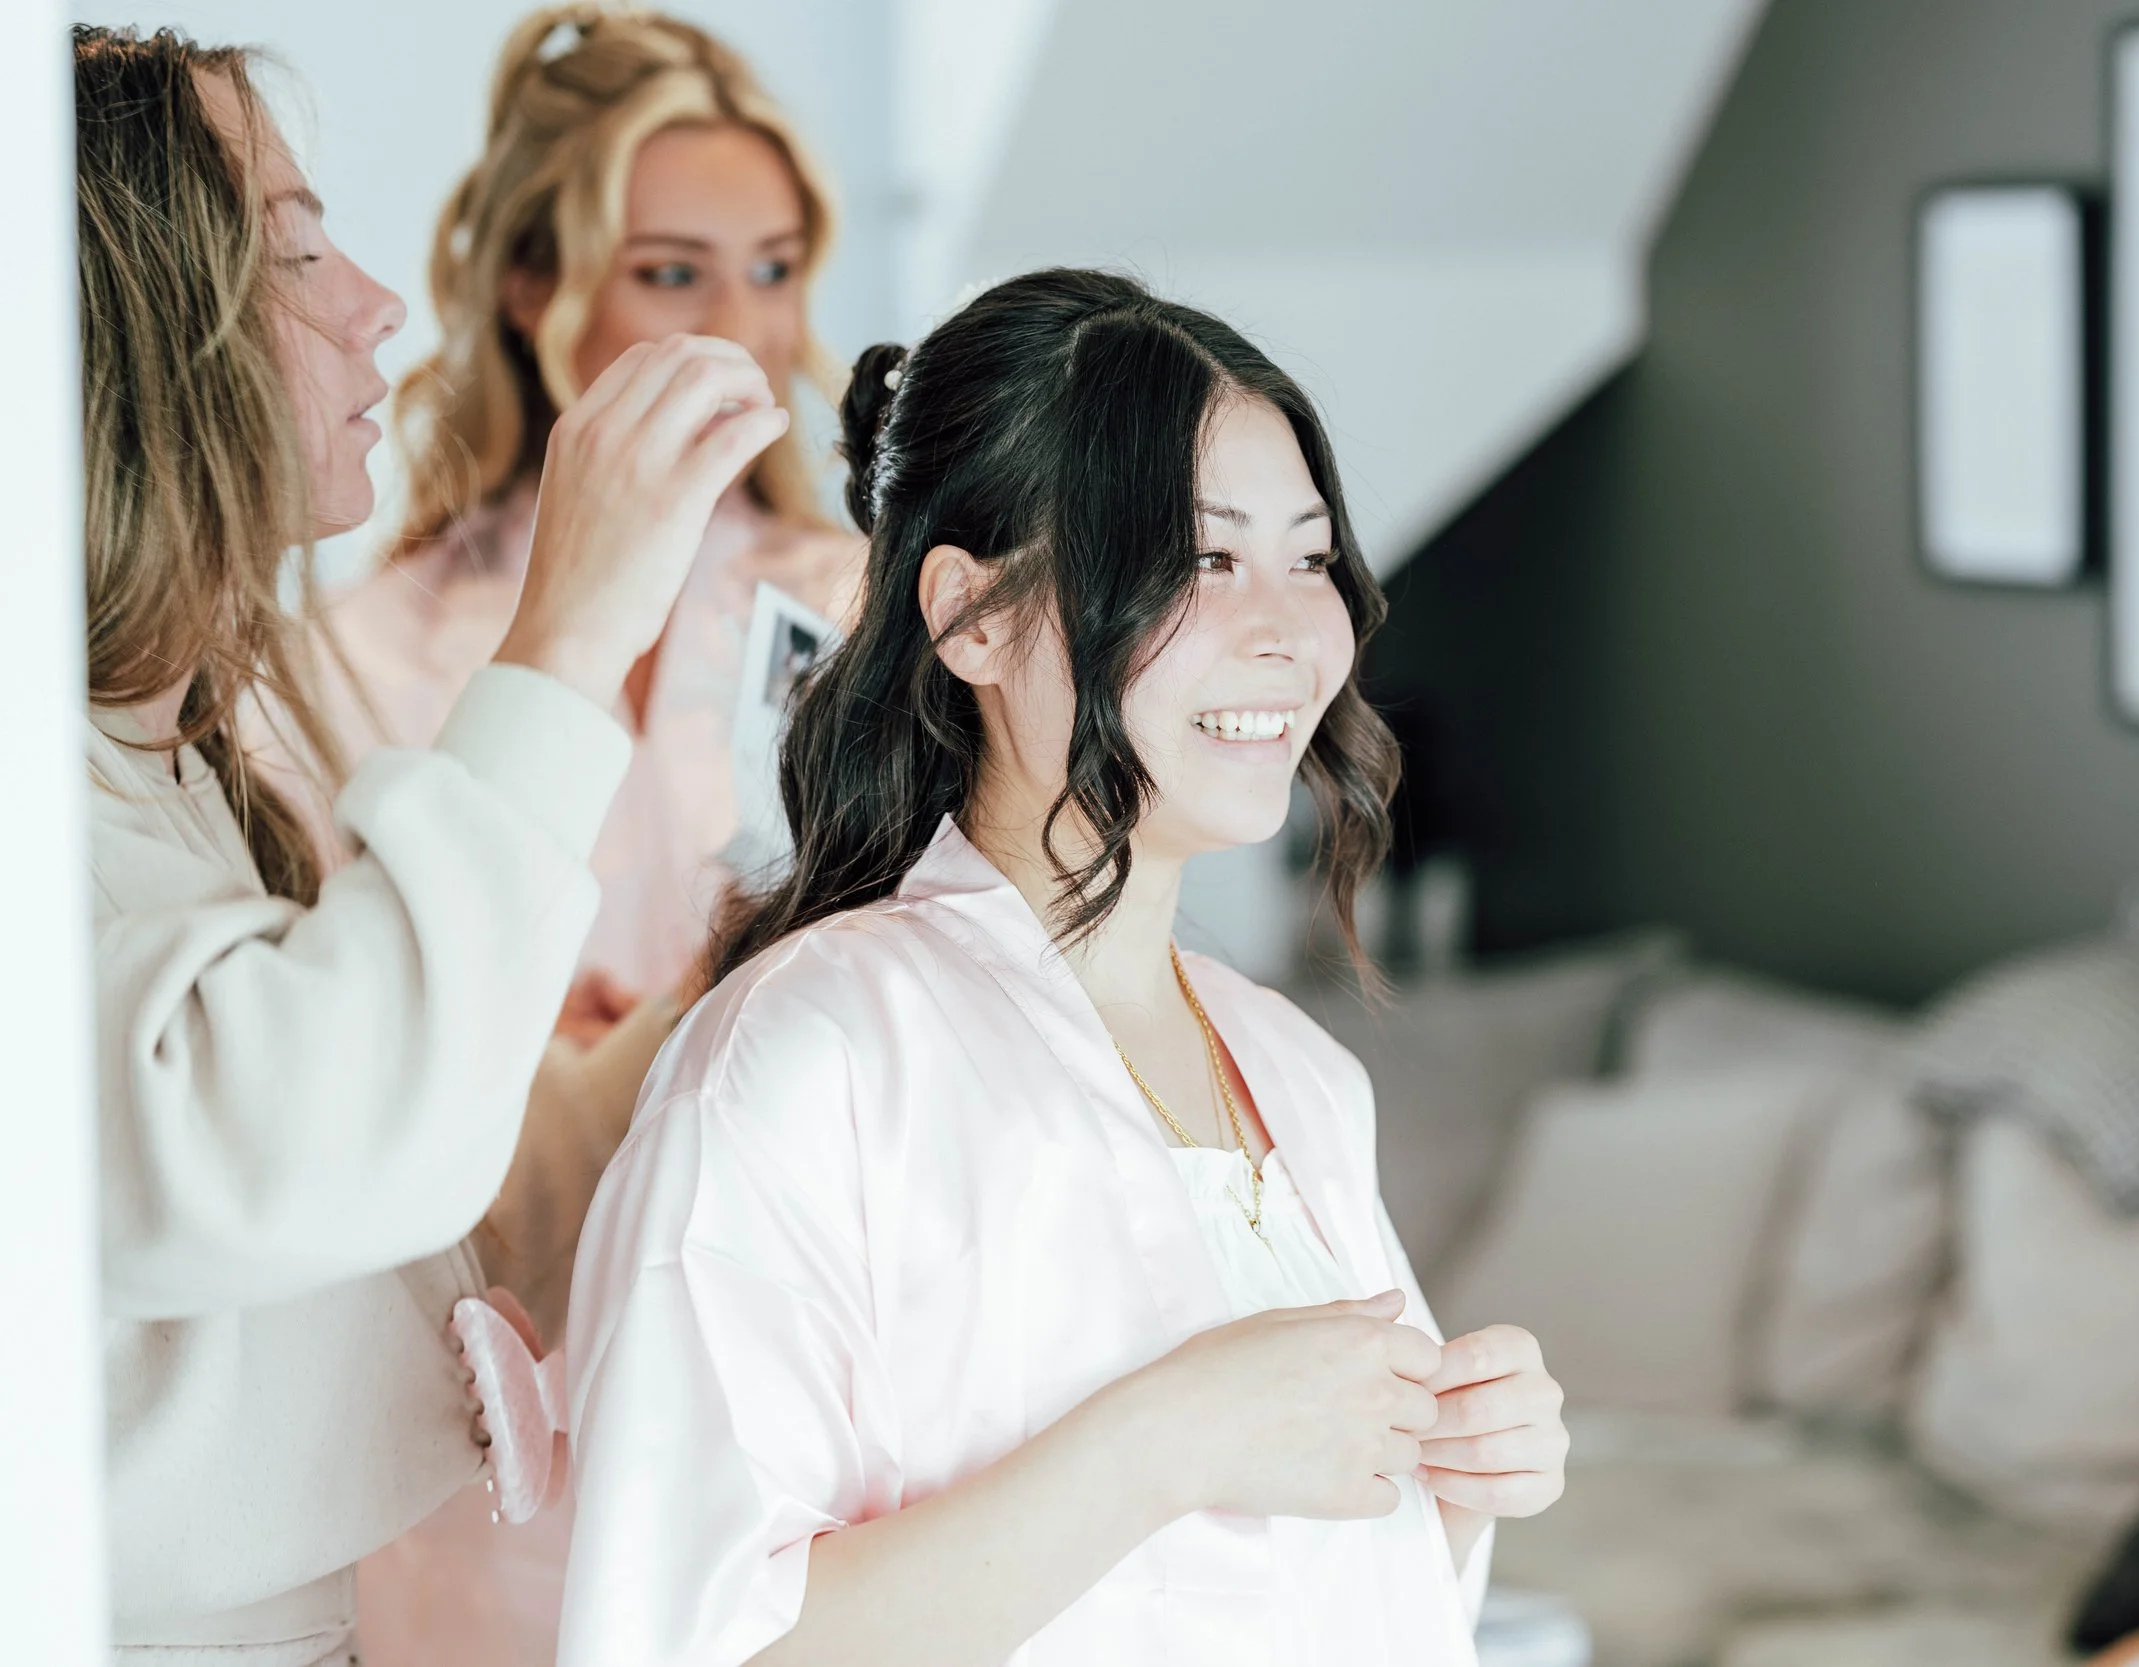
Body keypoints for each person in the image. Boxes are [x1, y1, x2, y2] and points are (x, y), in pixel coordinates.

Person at [557, 269, 1572, 1667]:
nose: (1286, 625)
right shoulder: (813, 1054)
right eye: (1203, 559)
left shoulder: (1301, 1073)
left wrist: (1453, 1488)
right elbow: (689, 1644)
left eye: (1310, 553)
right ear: (971, 617)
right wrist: (1168, 1438)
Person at [74, 25, 787, 1667]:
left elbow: (449, 1188)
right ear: (127, 328)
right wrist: (568, 636)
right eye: (297, 249)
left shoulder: (174, 753)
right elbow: (315, 1140)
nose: (372, 304)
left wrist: (759, 958)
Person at [278, 13, 866, 1661]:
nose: (741, 327)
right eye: (674, 274)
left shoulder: (868, 620)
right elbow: (346, 1031)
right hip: (479, 1375)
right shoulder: (366, 651)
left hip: (776, 1339)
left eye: (773, 269)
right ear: (541, 286)